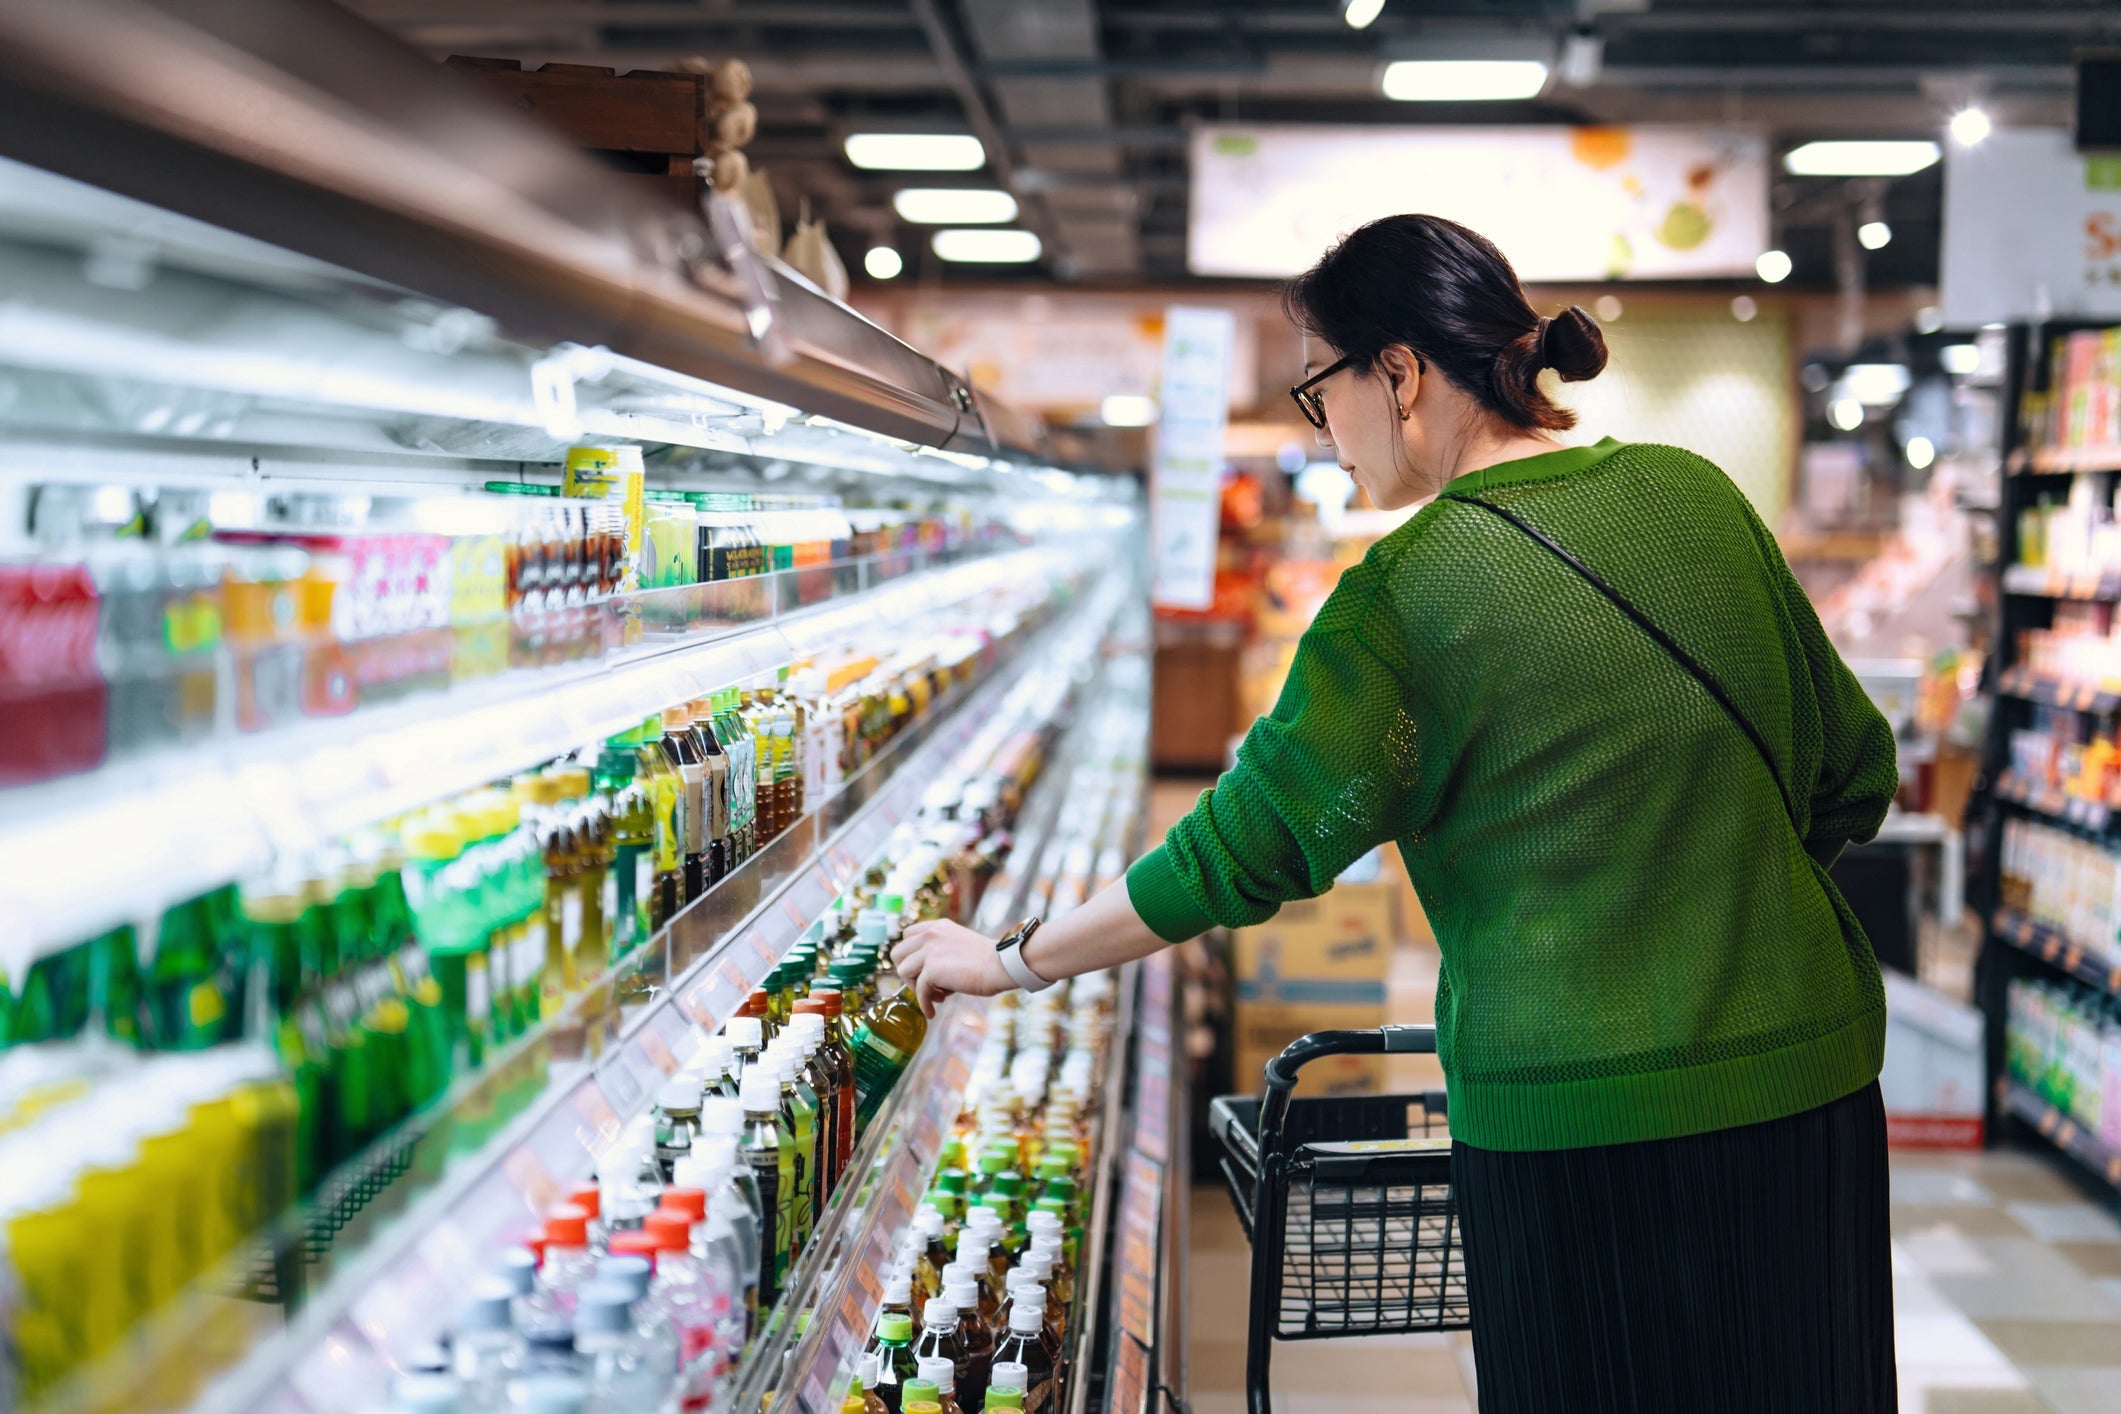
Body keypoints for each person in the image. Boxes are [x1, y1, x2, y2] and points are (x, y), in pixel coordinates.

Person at [891, 213, 1899, 1413]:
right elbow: (1855, 769)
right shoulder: (1695, 495)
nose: (1325, 438)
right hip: (1812, 1088)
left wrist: (1011, 959)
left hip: (1572, 1123)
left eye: (1323, 393)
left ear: (1403, 374)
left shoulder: (1404, 599)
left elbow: (1233, 854)